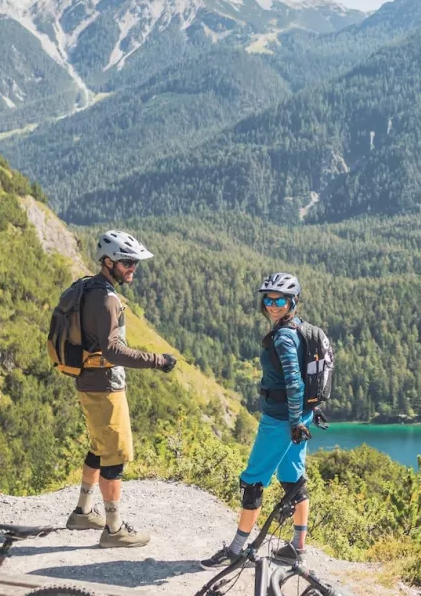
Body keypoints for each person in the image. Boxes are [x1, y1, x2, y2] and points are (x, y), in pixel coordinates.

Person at [65, 230, 178, 547]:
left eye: (135, 263)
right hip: (104, 386)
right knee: (115, 456)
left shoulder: (89, 287)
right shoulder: (106, 298)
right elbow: (112, 350)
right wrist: (157, 360)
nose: (133, 269)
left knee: (100, 447)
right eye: (128, 262)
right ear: (108, 261)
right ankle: (114, 529)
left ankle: (83, 512)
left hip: (89, 381)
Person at [203, 272, 314, 567]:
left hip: (282, 420)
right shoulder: (301, 329)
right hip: (301, 417)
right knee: (293, 479)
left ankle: (237, 551)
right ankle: (297, 547)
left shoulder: (284, 336)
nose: (273, 305)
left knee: (253, 480)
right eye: (268, 299)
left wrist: (291, 421)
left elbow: (293, 379)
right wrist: (300, 420)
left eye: (280, 300)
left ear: (294, 301)